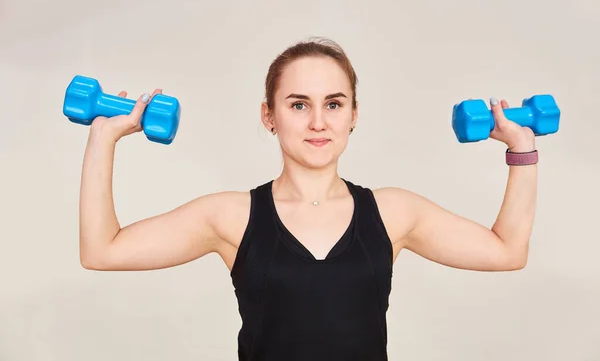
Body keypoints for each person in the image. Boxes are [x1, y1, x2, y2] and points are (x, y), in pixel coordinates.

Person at [78, 37, 538, 360]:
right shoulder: (231, 217)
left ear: (353, 115)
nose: (318, 122)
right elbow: (102, 251)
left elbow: (507, 251)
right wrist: (104, 138)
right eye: (299, 104)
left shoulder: (394, 213)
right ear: (269, 115)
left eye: (334, 104)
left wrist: (522, 150)